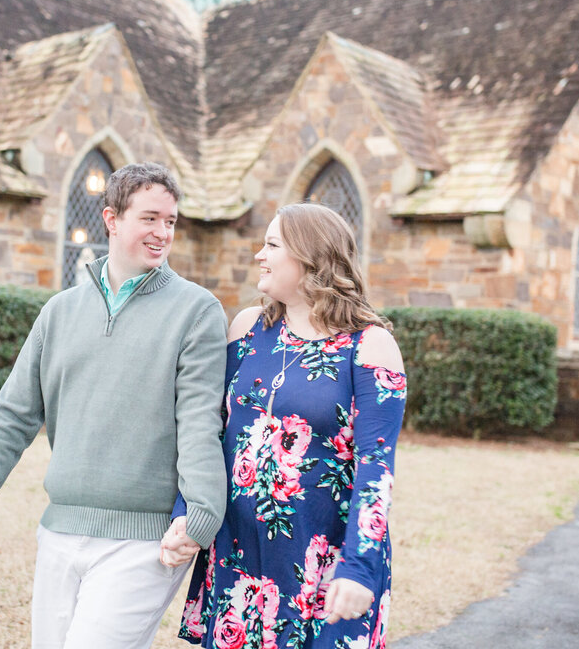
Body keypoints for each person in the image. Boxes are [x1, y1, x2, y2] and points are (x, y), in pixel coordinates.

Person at [0, 162, 228, 649]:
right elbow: (13, 413)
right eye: (150, 218)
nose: (163, 233)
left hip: (145, 541)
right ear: (112, 219)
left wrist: (201, 514)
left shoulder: (196, 311)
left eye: (171, 222)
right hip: (58, 529)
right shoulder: (59, 311)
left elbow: (201, 422)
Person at [162, 202, 407, 649]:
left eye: (272, 244)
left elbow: (377, 470)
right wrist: (186, 512)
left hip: (323, 564)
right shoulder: (247, 329)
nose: (259, 254)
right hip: (238, 554)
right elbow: (213, 437)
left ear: (311, 256)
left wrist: (359, 567)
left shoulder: (370, 346)